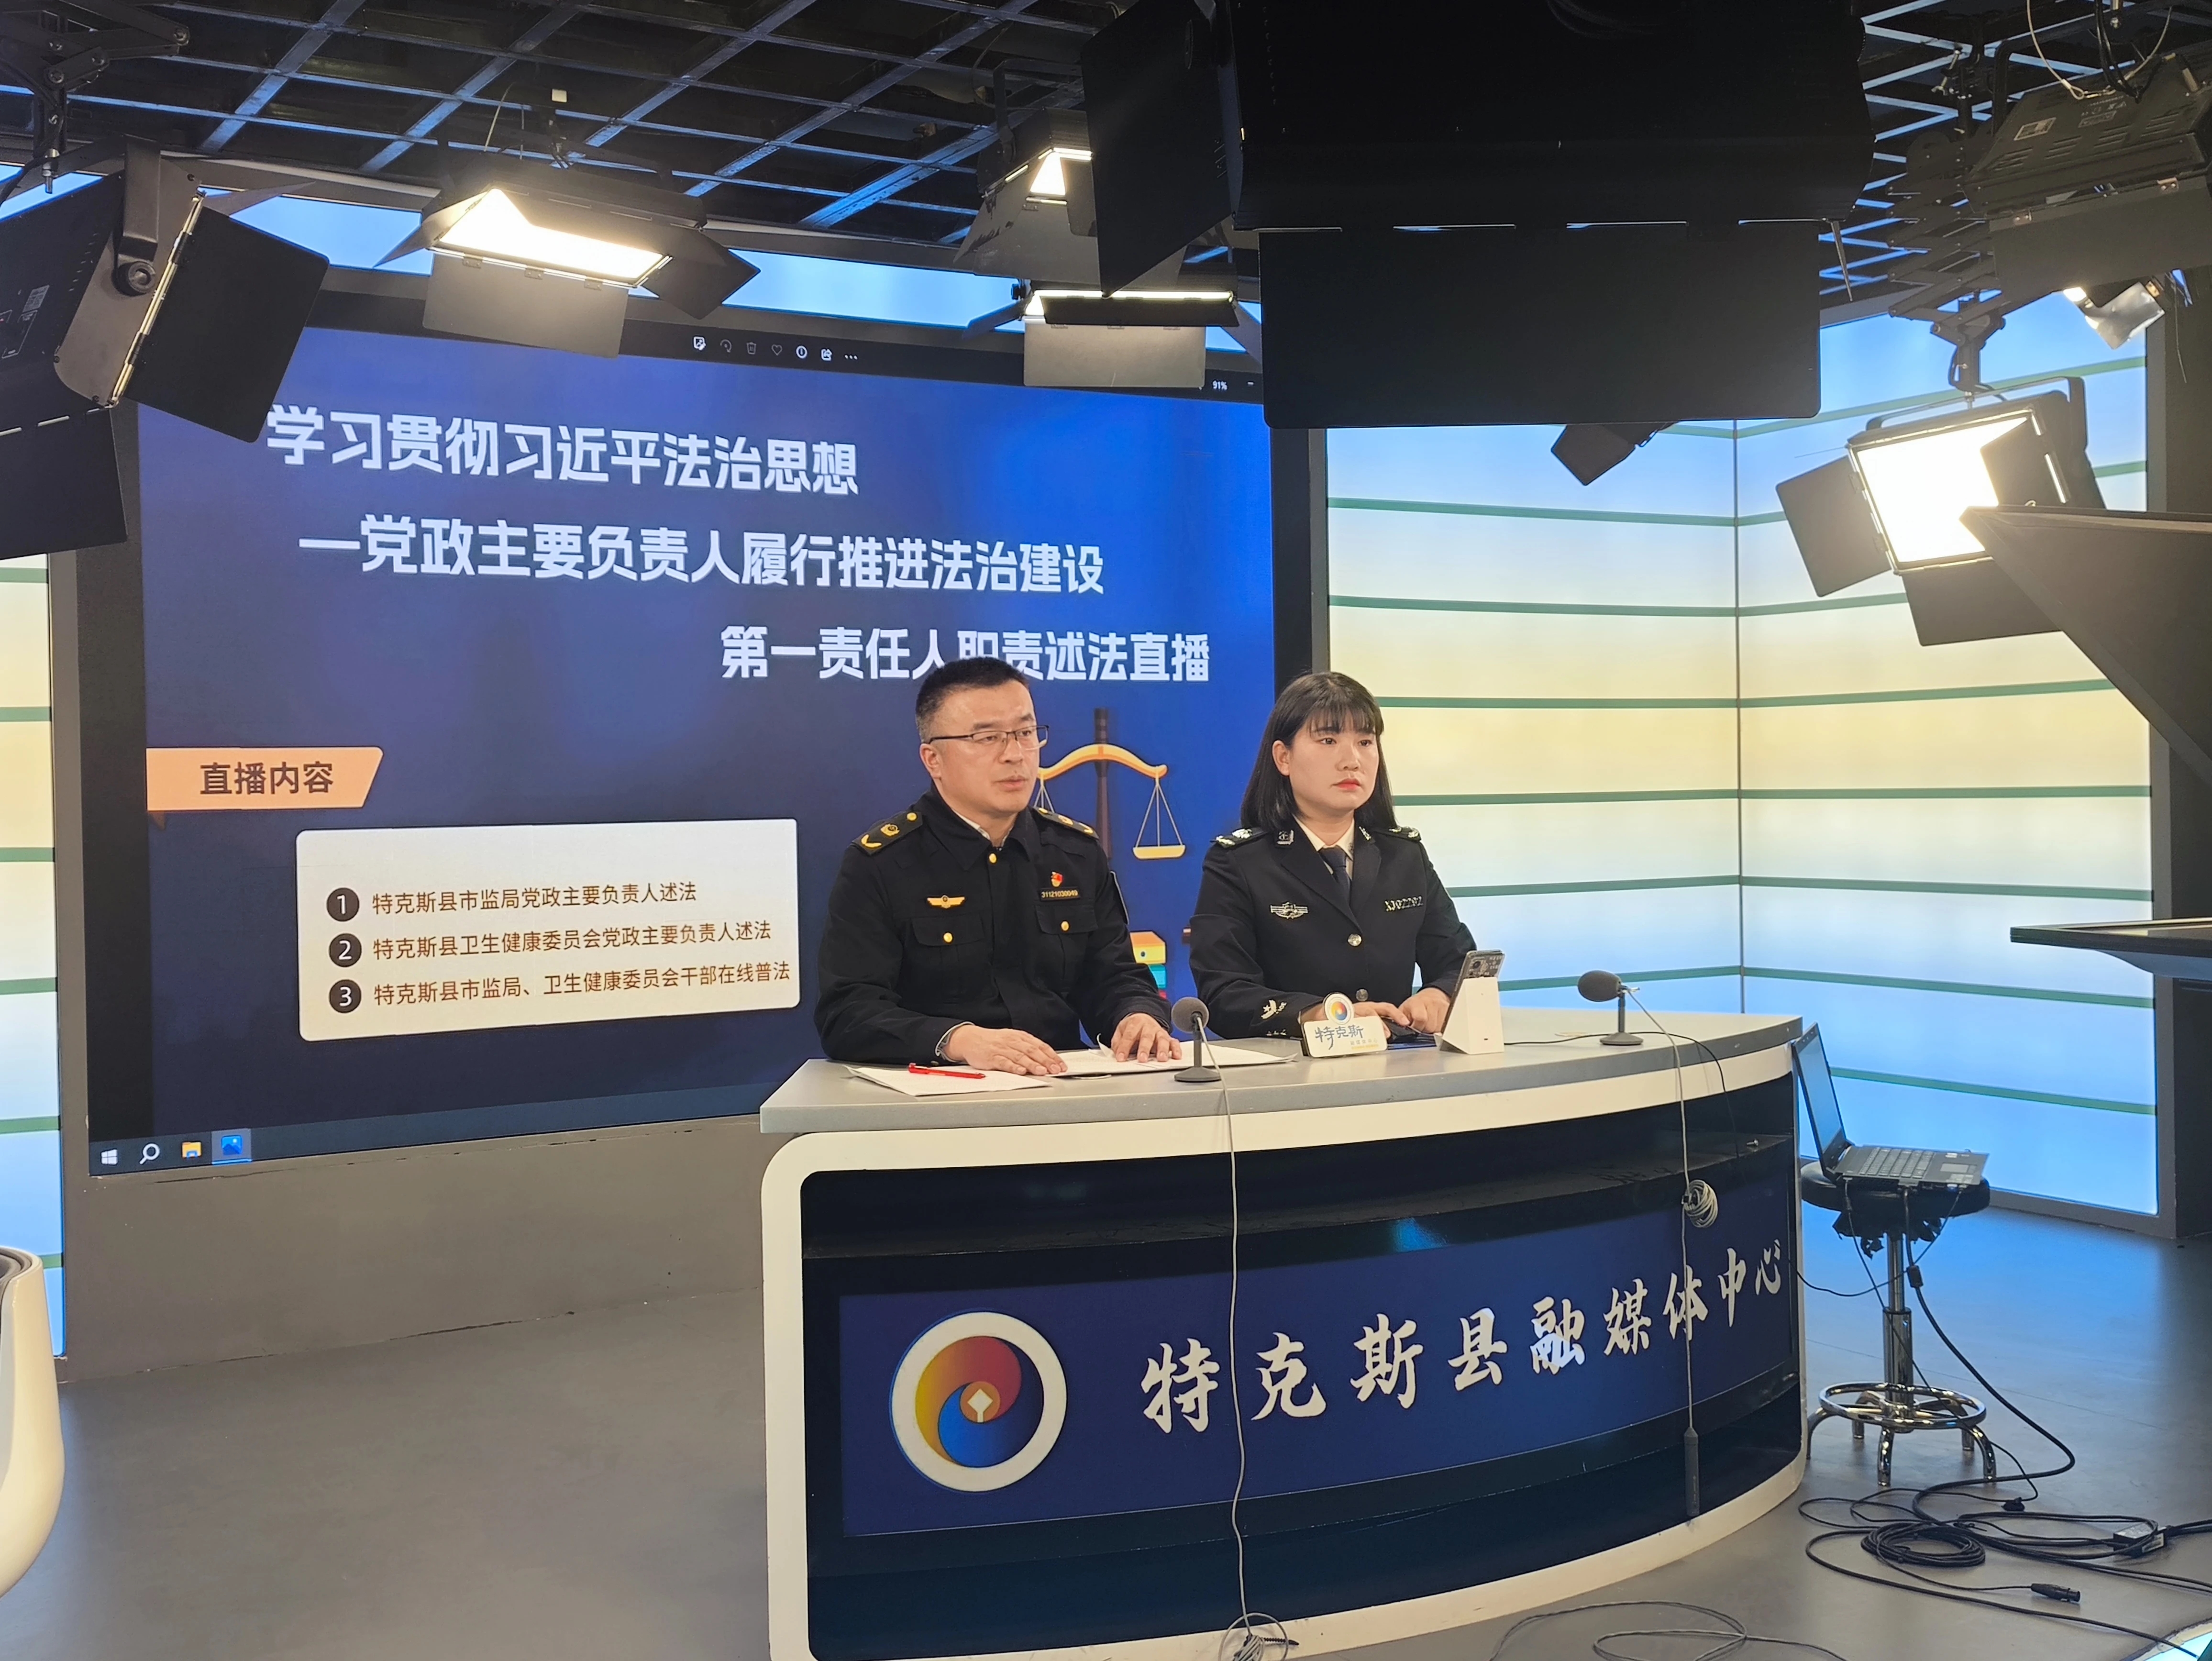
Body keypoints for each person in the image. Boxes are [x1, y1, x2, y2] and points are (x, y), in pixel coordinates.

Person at [814, 656, 1181, 1074]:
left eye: (1026, 733)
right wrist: (958, 1040)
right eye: (987, 738)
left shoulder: (1075, 853)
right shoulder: (881, 865)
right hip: (939, 1091)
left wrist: (1136, 1015)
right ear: (933, 760)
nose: (1015, 755)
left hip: (1061, 1082)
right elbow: (848, 1014)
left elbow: (1114, 977)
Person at [1190, 671, 1478, 1040]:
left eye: (1365, 742)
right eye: (1328, 740)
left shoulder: (1404, 855)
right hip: (1292, 1066)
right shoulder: (1238, 863)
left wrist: (1439, 995)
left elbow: (1460, 962)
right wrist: (1319, 1015)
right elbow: (1224, 993)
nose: (1352, 760)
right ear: (1283, 758)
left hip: (1399, 1062)